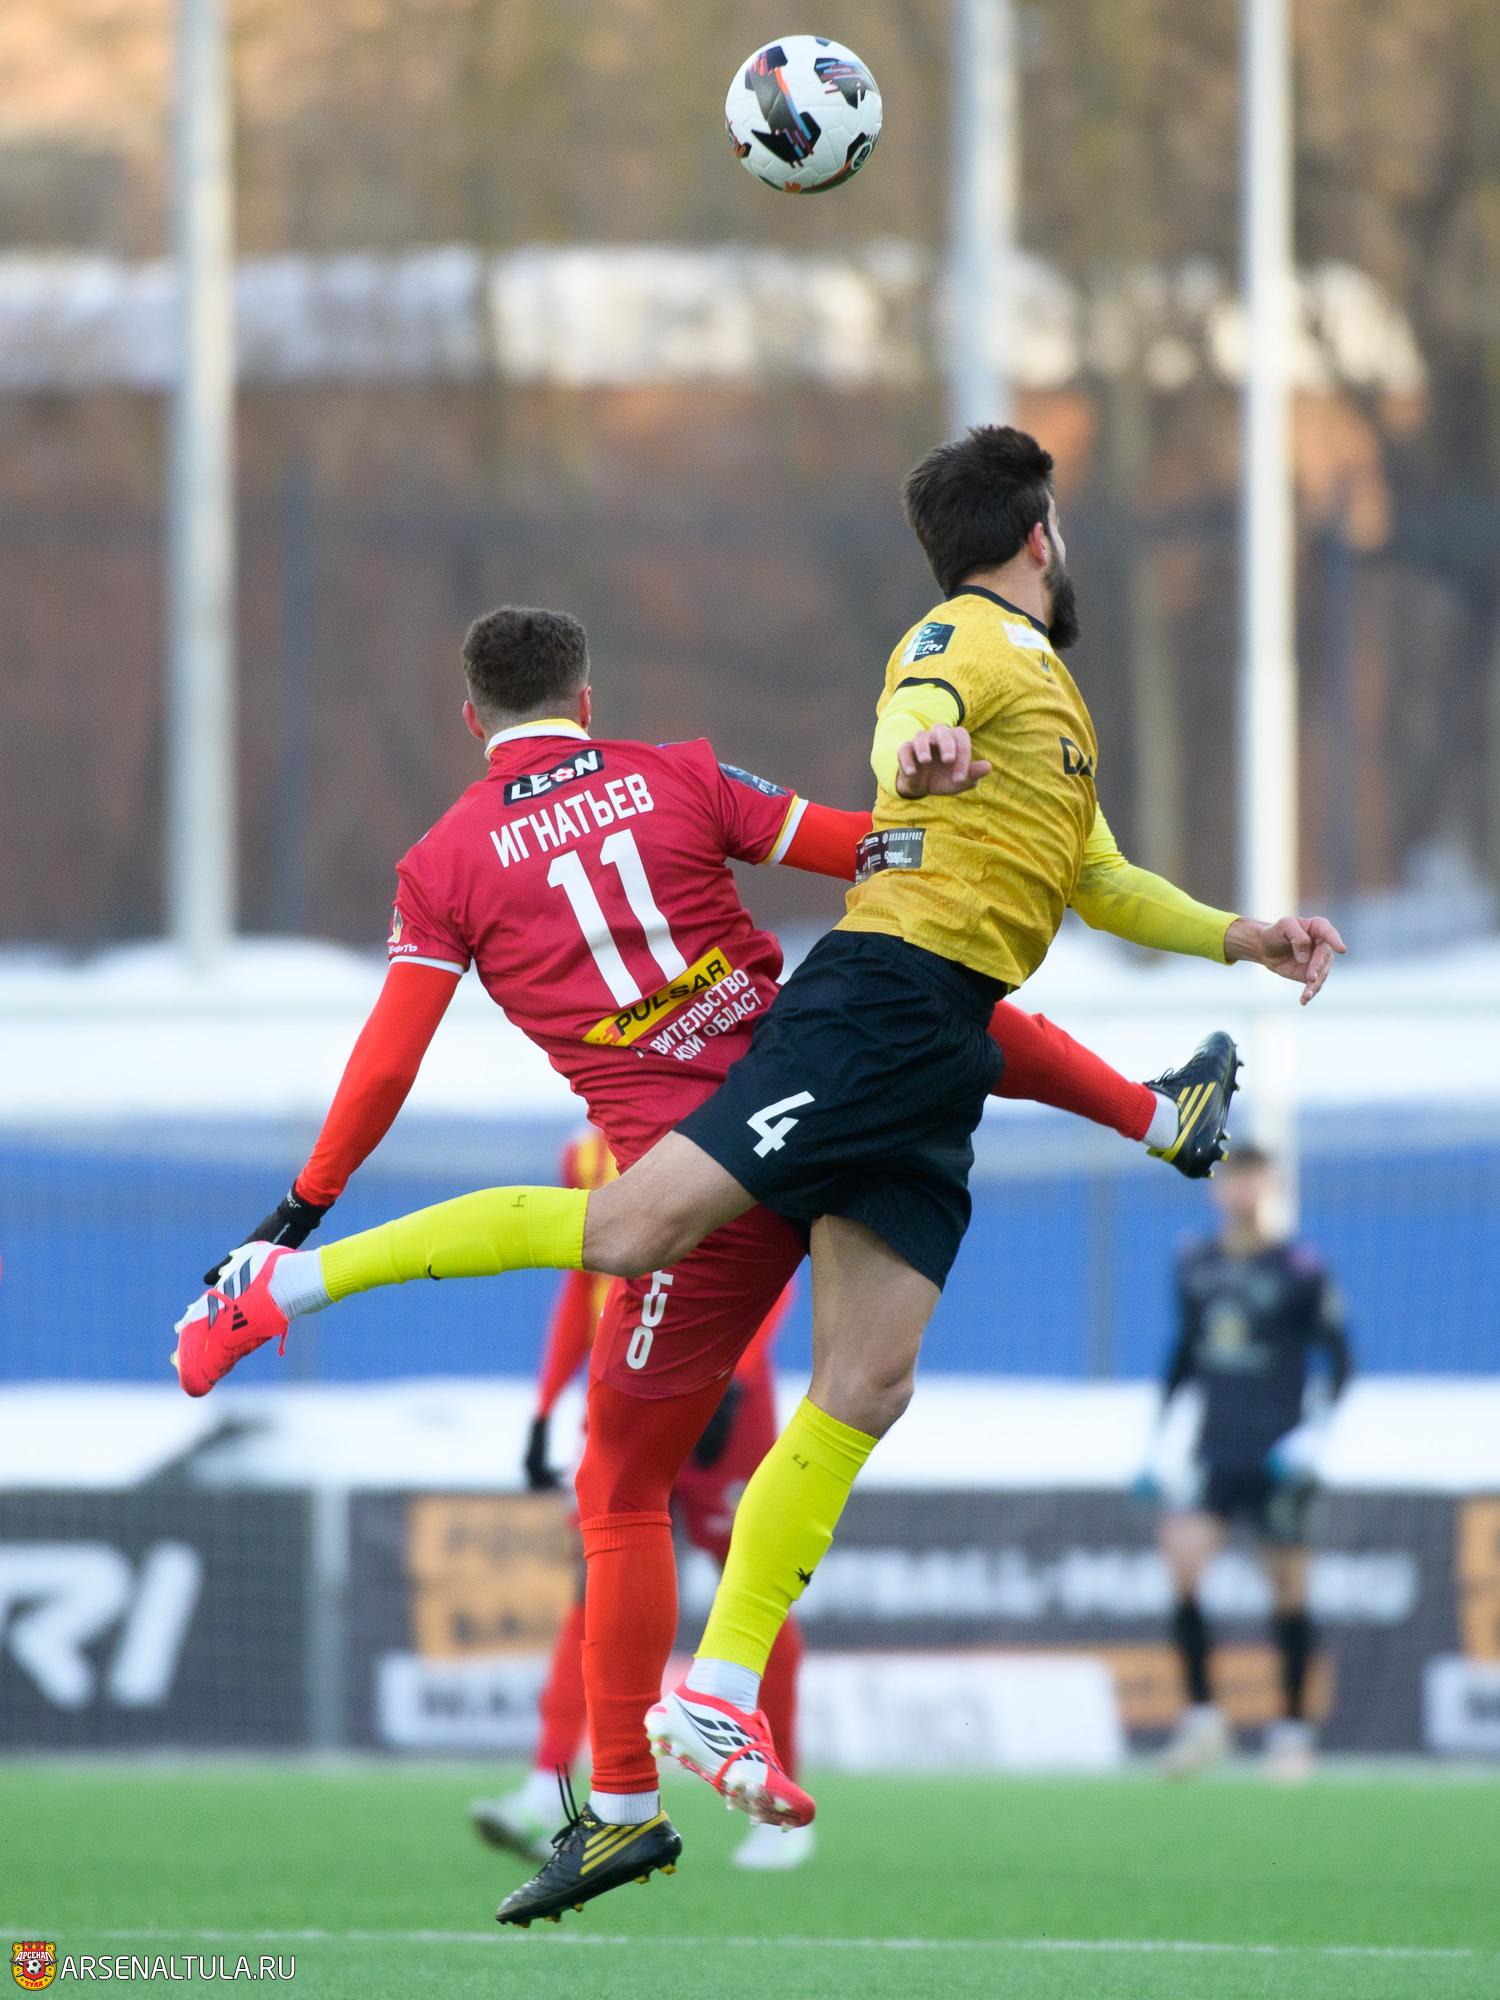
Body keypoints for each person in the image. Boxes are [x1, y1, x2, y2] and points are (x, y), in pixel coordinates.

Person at [177, 429, 1341, 1925]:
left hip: (859, 1066)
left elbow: (1086, 876)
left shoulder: (452, 860)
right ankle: (298, 1295)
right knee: (644, 1230)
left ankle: (681, 1725)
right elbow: (893, 758)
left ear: (473, 717)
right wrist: (915, 769)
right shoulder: (882, 677)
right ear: (1043, 532)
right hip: (827, 1050)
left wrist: (1237, 935)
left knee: (838, 1392)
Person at [471, 1130, 812, 1875]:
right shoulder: (584, 1153)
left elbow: (777, 1257)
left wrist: (738, 1374)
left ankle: (779, 1796)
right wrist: (544, 1404)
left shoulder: (733, 1118)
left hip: (724, 1397)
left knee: (755, 1594)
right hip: (626, 1387)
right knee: (593, 1587)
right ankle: (548, 1786)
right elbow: (582, 1282)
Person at [1142, 1145, 1352, 1781]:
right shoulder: (1196, 1264)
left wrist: (1310, 1441)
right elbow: (1185, 1354)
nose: (1244, 1191)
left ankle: (1292, 1733)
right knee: (1183, 1564)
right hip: (1214, 1448)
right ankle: (1203, 1719)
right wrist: (1157, 1440)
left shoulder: (1301, 1268)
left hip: (1277, 1451)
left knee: (1287, 1590)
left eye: (1256, 1180)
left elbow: (1341, 1360)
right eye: (1236, 1179)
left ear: (1274, 1188)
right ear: (1218, 1188)